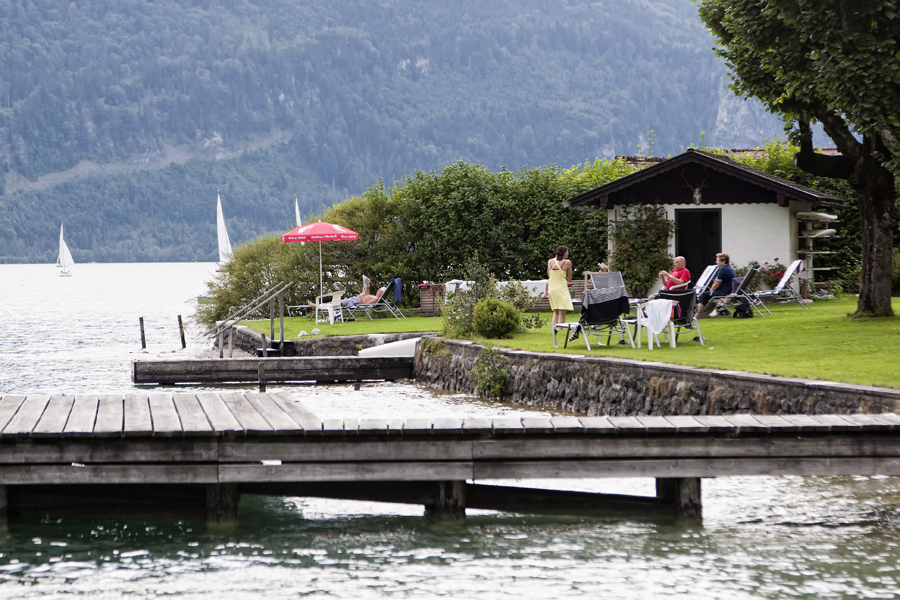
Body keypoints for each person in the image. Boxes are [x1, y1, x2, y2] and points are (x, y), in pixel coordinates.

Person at [308, 275, 385, 310]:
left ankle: (317, 306)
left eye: (379, 290)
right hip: (355, 300)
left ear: (381, 293)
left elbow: (364, 304)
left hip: (355, 302)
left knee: (335, 302)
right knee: (336, 302)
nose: (377, 291)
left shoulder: (376, 299)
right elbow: (367, 296)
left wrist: (361, 296)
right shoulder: (375, 297)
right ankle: (318, 305)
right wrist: (367, 288)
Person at [696, 253, 736, 318]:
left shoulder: (723, 269)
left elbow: (716, 283)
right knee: (708, 295)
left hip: (723, 294)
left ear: (723, 261)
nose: (716, 262)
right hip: (728, 291)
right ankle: (702, 314)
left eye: (717, 260)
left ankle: (697, 314)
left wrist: (710, 291)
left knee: (704, 295)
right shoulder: (729, 269)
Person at [547, 245, 574, 326]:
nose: (568, 253)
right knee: (562, 311)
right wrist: (565, 279)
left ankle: (554, 329)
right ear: (564, 253)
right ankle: (560, 329)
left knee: (556, 311)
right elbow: (569, 278)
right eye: (567, 252)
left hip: (551, 288)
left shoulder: (550, 261)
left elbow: (549, 275)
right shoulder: (567, 262)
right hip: (561, 288)